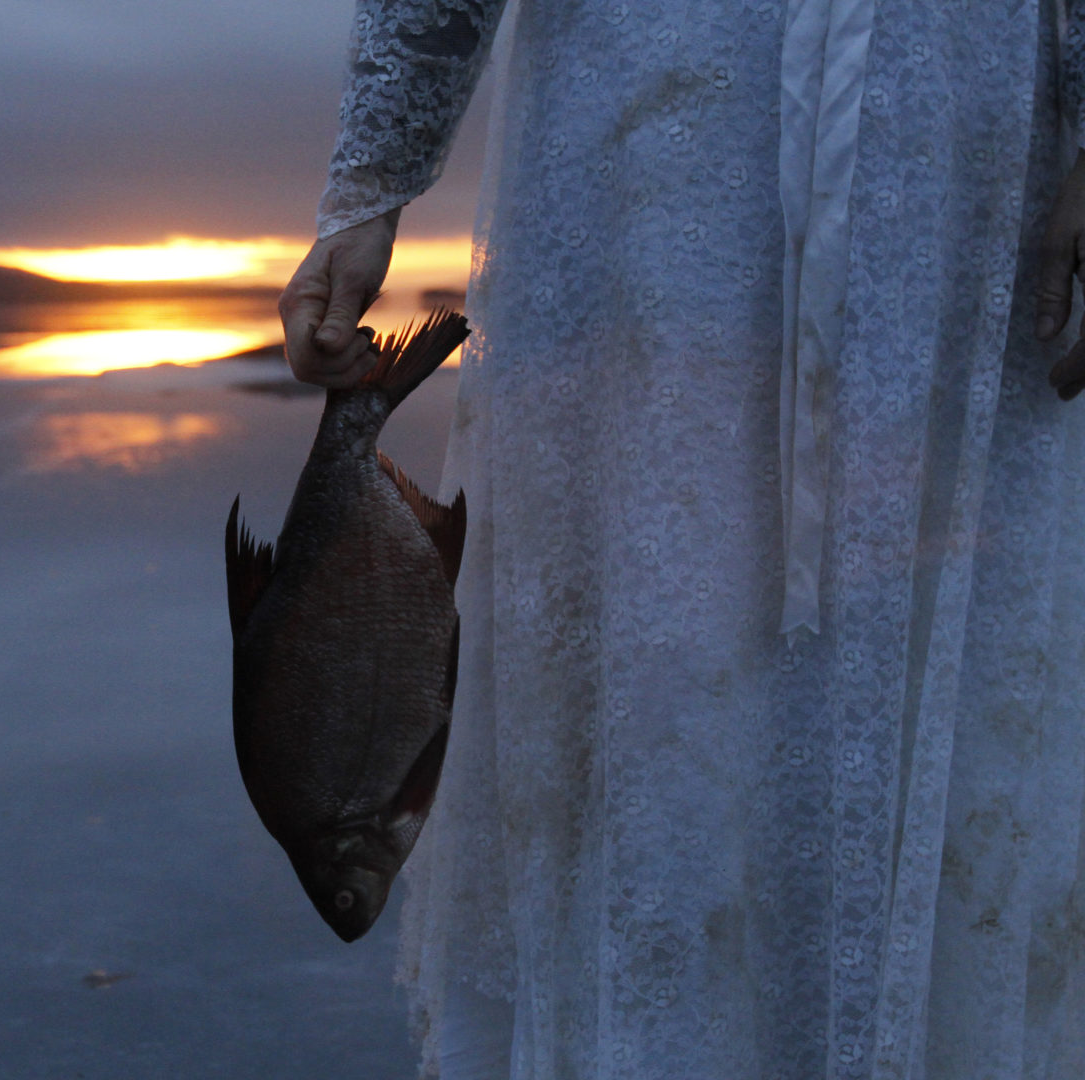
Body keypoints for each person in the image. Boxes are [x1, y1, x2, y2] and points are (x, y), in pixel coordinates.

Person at [279, 2, 1085, 1078]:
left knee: (945, 691)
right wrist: (370, 184)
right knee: (642, 692)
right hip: (640, 170)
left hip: (956, 159)